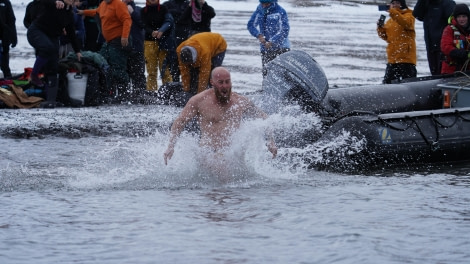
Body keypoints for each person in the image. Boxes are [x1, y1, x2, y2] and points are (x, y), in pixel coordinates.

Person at [163, 66, 277, 167]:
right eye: (221, 82)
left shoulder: (240, 102)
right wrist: (171, 146)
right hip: (209, 152)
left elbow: (263, 117)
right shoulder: (199, 101)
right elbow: (180, 121)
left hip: (232, 154)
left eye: (227, 82)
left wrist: (270, 141)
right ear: (212, 82)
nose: (225, 86)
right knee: (220, 167)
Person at [27, 0, 82, 108]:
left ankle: (51, 100)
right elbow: (42, 2)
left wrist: (77, 51)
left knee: (53, 68)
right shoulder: (54, 4)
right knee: (48, 48)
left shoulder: (69, 14)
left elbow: (71, 33)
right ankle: (34, 74)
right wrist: (54, 2)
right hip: (37, 31)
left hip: (53, 37)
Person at [78, 0, 132, 102]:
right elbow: (96, 12)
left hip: (119, 40)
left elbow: (127, 19)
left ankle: (124, 94)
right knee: (102, 63)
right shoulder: (103, 4)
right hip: (109, 42)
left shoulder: (118, 4)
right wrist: (83, 12)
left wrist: (124, 36)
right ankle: (107, 92)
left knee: (118, 68)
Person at [247, 0, 290, 78]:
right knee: (266, 75)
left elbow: (285, 30)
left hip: (281, 49)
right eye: (262, 3)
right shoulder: (259, 10)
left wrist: (272, 41)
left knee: (282, 75)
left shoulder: (280, 11)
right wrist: (259, 35)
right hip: (265, 49)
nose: (264, 6)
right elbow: (250, 25)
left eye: (266, 4)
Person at [377, 0, 417, 84]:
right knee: (388, 84)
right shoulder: (390, 21)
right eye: (392, 3)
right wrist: (380, 28)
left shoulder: (409, 15)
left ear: (402, 4)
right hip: (393, 59)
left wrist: (393, 12)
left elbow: (405, 23)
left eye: (397, 3)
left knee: (409, 84)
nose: (394, 5)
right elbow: (387, 38)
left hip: (406, 59)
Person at [413, 0, 456, 75]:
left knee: (443, 73)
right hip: (431, 45)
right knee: (434, 73)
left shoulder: (447, 3)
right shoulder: (427, 4)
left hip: (444, 47)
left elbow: (453, 22)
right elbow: (417, 14)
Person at [141, 0, 174, 91]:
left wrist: (161, 31)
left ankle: (169, 92)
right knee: (151, 72)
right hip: (149, 43)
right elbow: (144, 25)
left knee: (165, 71)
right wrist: (152, 32)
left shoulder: (164, 8)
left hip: (163, 43)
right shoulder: (143, 10)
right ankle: (151, 93)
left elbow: (169, 22)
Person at [123, 0, 146, 97]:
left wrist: (133, 13)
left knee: (139, 73)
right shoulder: (116, 9)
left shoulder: (139, 10)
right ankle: (124, 94)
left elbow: (144, 24)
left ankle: (140, 94)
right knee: (123, 74)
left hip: (137, 47)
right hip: (121, 48)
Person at [441, 3, 470, 74]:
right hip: (451, 71)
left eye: (464, 16)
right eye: (459, 17)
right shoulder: (449, 29)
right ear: (455, 18)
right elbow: (445, 47)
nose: (461, 19)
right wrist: (460, 53)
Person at [0, 0, 17, 80]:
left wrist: (14, 37)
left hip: (4, 37)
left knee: (5, 64)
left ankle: (8, 82)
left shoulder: (6, 2)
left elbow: (11, 20)